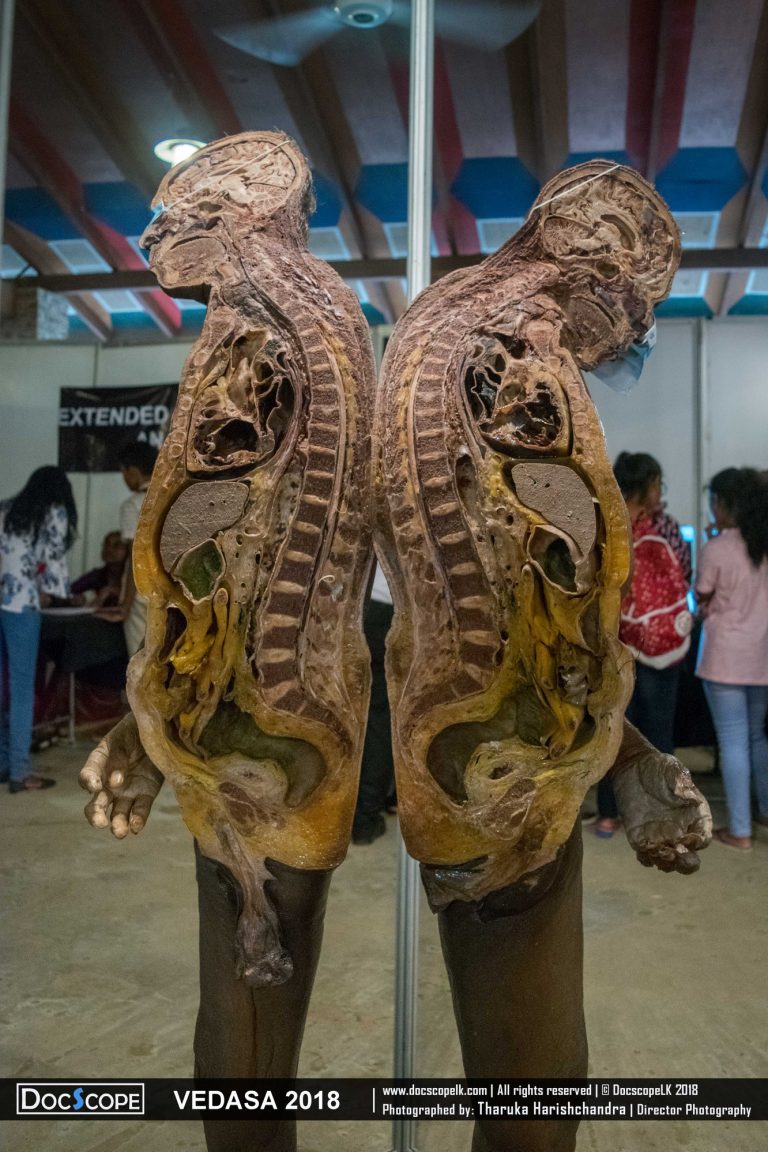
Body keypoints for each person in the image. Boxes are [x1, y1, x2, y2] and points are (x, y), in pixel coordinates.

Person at [595, 452, 692, 836]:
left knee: (613, 732)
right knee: (659, 735)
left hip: (615, 643)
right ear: (649, 484)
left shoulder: (605, 524)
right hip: (663, 648)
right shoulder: (666, 527)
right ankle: (661, 815)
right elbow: (685, 573)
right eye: (658, 484)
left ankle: (609, 814)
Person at [696, 467, 768, 850]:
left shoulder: (717, 548)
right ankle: (764, 812)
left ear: (726, 504)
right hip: (761, 656)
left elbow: (701, 595)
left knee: (733, 741)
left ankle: (739, 831)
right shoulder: (763, 545)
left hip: (725, 658)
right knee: (756, 737)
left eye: (715, 501)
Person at [0, 466, 77, 792]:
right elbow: (54, 563)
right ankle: (20, 773)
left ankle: (3, 763)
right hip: (22, 606)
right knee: (21, 691)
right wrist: (52, 591)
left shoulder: (6, 509)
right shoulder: (53, 512)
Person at [97, 442, 158, 656]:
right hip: (171, 592)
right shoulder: (172, 499)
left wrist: (125, 606)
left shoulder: (132, 505)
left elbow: (136, 558)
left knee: (141, 661)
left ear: (132, 471)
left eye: (123, 472)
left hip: (142, 596)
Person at [70, 530, 128, 607]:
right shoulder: (97, 575)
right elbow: (68, 592)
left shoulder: (134, 577)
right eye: (106, 544)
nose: (109, 549)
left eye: (117, 546)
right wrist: (78, 598)